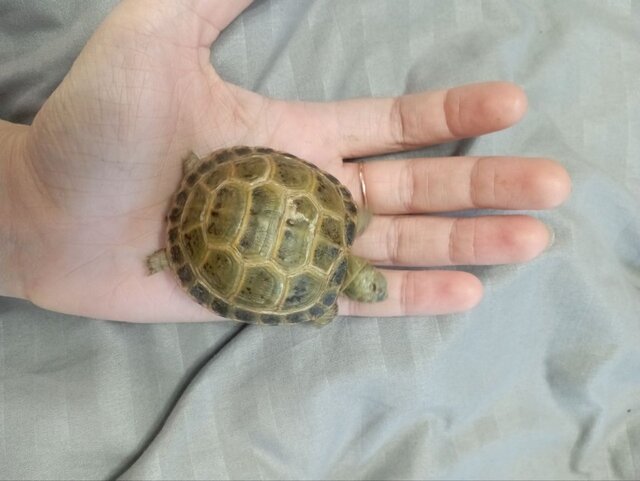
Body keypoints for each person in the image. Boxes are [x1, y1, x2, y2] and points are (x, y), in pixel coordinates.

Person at [0, 0, 570, 323]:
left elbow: (328, 201)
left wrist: (29, 204)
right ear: (358, 280)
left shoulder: (345, 223)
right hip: (212, 233)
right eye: (374, 287)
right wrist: (28, 197)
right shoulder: (315, 303)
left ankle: (168, 244)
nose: (373, 290)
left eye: (370, 289)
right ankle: (169, 254)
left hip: (227, 185)